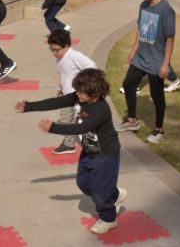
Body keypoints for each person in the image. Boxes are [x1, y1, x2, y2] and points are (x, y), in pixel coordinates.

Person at [15, 68, 127, 235]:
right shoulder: (78, 97)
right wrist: (29, 107)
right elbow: (56, 102)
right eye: (78, 91)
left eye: (82, 93)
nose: (79, 95)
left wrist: (53, 128)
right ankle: (114, 194)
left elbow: (82, 127)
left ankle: (109, 219)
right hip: (89, 150)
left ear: (94, 92)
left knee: (98, 192)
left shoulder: (100, 109)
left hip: (106, 155)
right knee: (83, 183)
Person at [116, 0, 176, 143]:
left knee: (157, 95)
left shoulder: (166, 11)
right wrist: (133, 51)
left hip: (156, 59)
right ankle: (132, 121)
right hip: (141, 57)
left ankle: (159, 130)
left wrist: (165, 65)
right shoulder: (143, 5)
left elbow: (170, 39)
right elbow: (140, 30)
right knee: (128, 84)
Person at [47, 29, 97, 155]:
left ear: (67, 46)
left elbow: (92, 67)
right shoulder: (60, 57)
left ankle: (69, 145)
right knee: (72, 119)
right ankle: (69, 142)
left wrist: (83, 87)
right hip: (67, 94)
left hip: (75, 95)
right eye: (51, 49)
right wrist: (60, 89)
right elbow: (64, 75)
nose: (54, 53)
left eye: (56, 50)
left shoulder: (75, 56)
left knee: (65, 120)